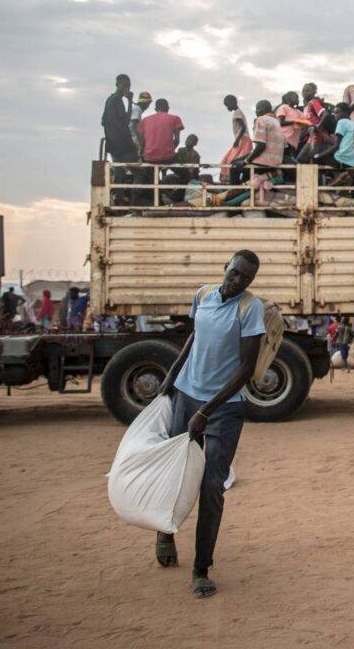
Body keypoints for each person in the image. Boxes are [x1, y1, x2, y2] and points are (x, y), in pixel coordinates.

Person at [154, 250, 265, 598]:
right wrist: (172, 375)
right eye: (234, 273)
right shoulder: (203, 294)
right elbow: (194, 337)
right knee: (176, 473)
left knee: (211, 486)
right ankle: (165, 532)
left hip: (225, 408)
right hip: (186, 396)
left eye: (245, 277)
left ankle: (202, 568)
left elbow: (247, 368)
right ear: (225, 268)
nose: (237, 281)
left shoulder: (250, 308)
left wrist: (208, 409)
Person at [138, 98, 185, 204]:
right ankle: (177, 197)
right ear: (168, 108)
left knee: (151, 180)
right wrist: (168, 150)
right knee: (185, 174)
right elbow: (177, 140)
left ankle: (158, 202)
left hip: (149, 157)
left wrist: (146, 152)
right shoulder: (175, 118)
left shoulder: (145, 120)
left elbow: (142, 142)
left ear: (155, 108)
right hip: (168, 157)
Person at [239, 100, 285, 203]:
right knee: (243, 162)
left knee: (235, 166)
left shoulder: (261, 120)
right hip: (277, 161)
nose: (256, 111)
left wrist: (246, 160)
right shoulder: (277, 122)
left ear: (265, 109)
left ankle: (235, 196)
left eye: (258, 108)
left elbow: (261, 145)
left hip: (264, 161)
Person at [102, 74, 137, 205]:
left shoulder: (110, 100)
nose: (126, 88)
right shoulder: (117, 100)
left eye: (128, 86)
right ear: (117, 84)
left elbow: (103, 121)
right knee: (140, 171)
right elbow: (126, 121)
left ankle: (119, 198)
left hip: (113, 144)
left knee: (119, 172)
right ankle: (135, 199)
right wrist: (129, 102)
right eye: (124, 85)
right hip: (123, 143)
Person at [220, 95, 253, 185]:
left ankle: (231, 182)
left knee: (228, 161)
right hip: (243, 140)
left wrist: (237, 140)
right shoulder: (239, 112)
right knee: (233, 161)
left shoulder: (237, 113)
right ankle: (236, 181)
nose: (227, 108)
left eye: (228, 105)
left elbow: (243, 127)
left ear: (233, 102)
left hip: (243, 140)